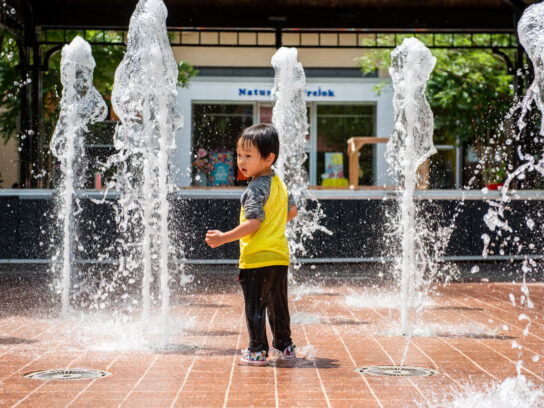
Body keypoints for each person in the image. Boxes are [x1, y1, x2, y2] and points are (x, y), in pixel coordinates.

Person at [205, 123, 298, 365]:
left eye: (248, 156)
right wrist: (274, 225)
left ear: (268, 158)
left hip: (256, 258)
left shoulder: (256, 188)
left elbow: (254, 222)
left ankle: (257, 350)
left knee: (255, 307)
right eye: (239, 155)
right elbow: (292, 212)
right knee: (278, 306)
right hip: (279, 257)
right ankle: (284, 346)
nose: (241, 161)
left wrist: (224, 237)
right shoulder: (280, 184)